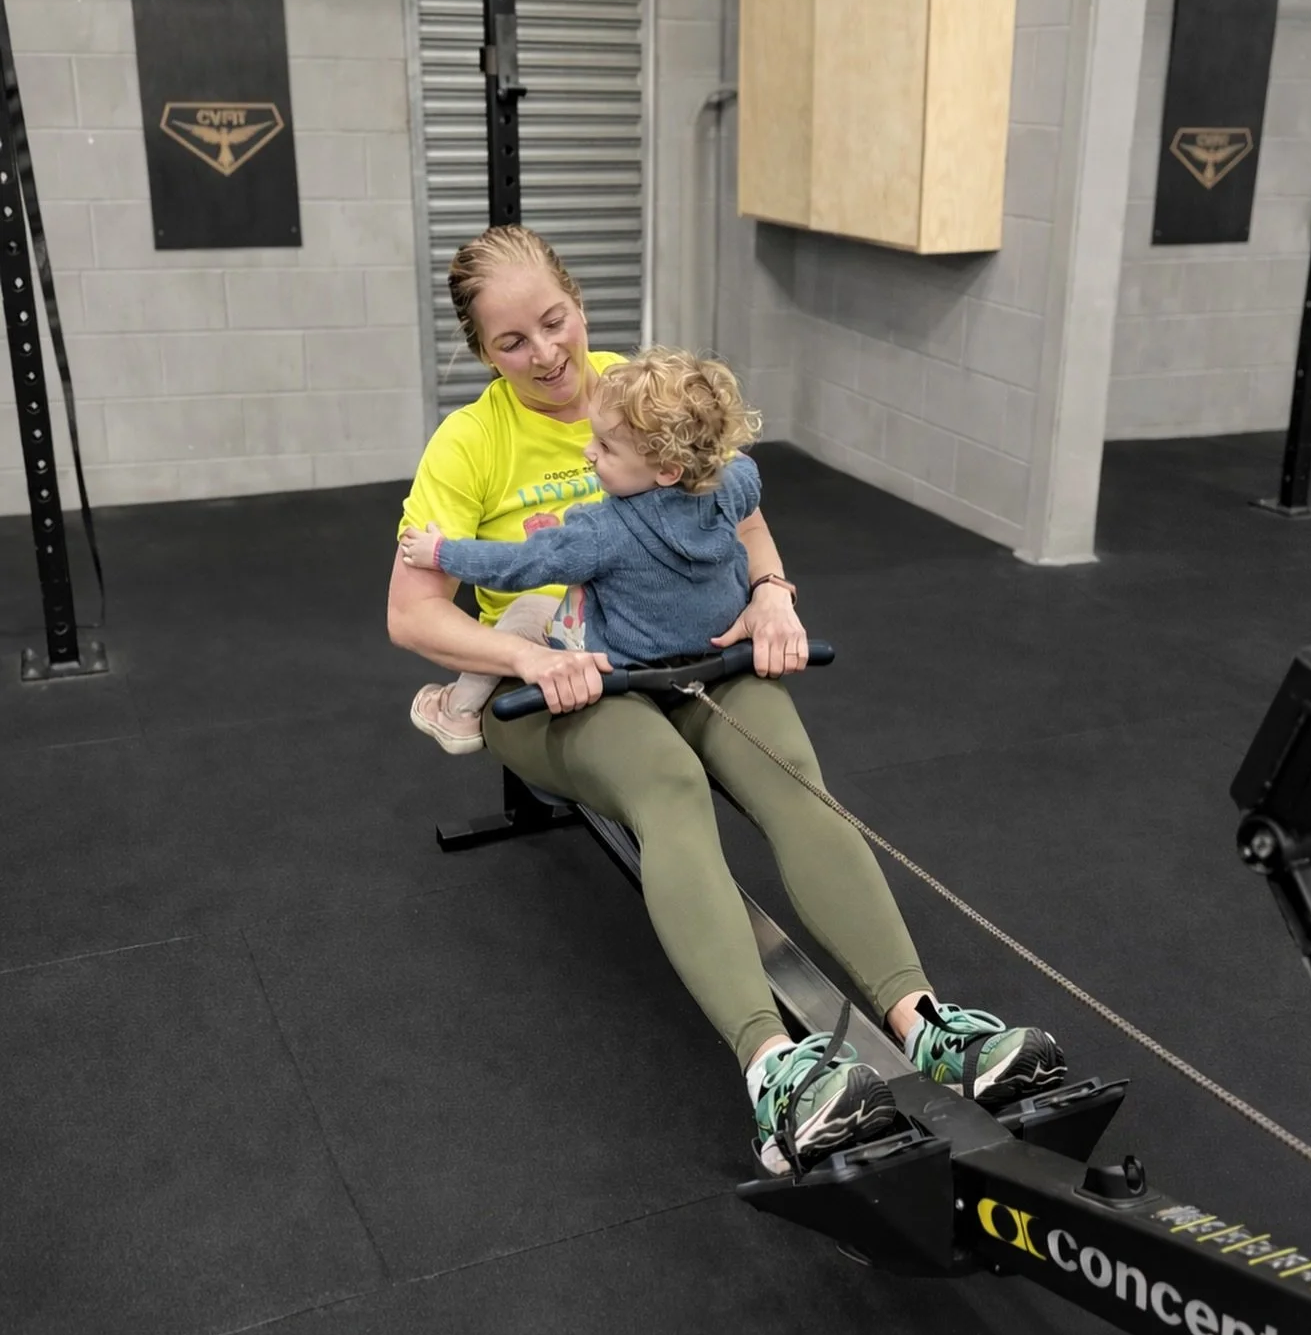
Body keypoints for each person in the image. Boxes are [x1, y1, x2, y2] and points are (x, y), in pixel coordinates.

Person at [388, 224, 1067, 1176]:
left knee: (792, 776)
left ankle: (929, 1026)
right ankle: (775, 1073)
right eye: (512, 342)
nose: (546, 354)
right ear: (481, 352)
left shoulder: (647, 393)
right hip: (561, 680)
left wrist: (771, 594)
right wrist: (523, 657)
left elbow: (744, 517)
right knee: (665, 780)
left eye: (554, 321)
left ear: (578, 302)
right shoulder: (468, 444)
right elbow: (412, 617)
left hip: (698, 655)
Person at [399, 347, 765, 752]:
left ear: (666, 470)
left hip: (629, 659)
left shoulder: (600, 530)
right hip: (715, 648)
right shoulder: (731, 486)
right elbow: (744, 469)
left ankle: (457, 713)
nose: (588, 451)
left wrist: (442, 553)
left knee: (528, 607)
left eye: (606, 447)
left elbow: (517, 563)